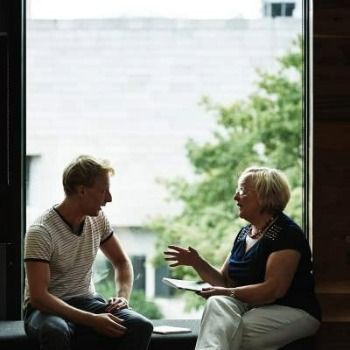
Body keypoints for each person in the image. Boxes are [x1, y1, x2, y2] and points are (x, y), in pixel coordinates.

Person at [164, 166, 321, 350]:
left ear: (265, 196)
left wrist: (225, 292)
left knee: (229, 332)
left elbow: (273, 291)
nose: (236, 197)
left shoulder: (286, 233)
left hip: (292, 310)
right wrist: (197, 262)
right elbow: (224, 282)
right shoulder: (244, 234)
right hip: (254, 308)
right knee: (217, 303)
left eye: (242, 191)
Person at [23, 155, 153, 350]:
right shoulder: (41, 232)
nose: (109, 198)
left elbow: (122, 262)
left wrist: (123, 297)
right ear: (81, 190)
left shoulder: (98, 219)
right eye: (103, 191)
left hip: (86, 301)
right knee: (55, 330)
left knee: (140, 325)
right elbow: (39, 297)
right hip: (45, 310)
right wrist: (92, 320)